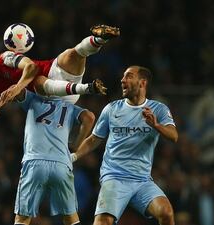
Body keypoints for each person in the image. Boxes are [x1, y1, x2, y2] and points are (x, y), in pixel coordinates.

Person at [0, 24, 119, 158]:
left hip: (54, 73)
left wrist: (18, 86)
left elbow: (31, 67)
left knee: (72, 54)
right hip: (47, 94)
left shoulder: (4, 59)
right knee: (38, 83)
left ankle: (99, 38)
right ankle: (87, 89)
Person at [0, 87, 95, 225]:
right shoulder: (69, 106)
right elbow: (90, 118)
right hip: (61, 163)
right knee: (71, 219)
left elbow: (16, 90)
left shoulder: (34, 99)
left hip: (34, 162)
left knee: (22, 218)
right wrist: (75, 145)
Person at [72, 65, 178, 225]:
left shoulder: (158, 109)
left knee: (166, 213)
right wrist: (73, 156)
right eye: (123, 76)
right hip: (114, 177)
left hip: (142, 180)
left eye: (129, 76)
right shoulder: (111, 108)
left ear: (142, 83)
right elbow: (94, 139)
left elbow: (174, 136)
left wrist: (156, 125)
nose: (122, 80)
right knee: (102, 222)